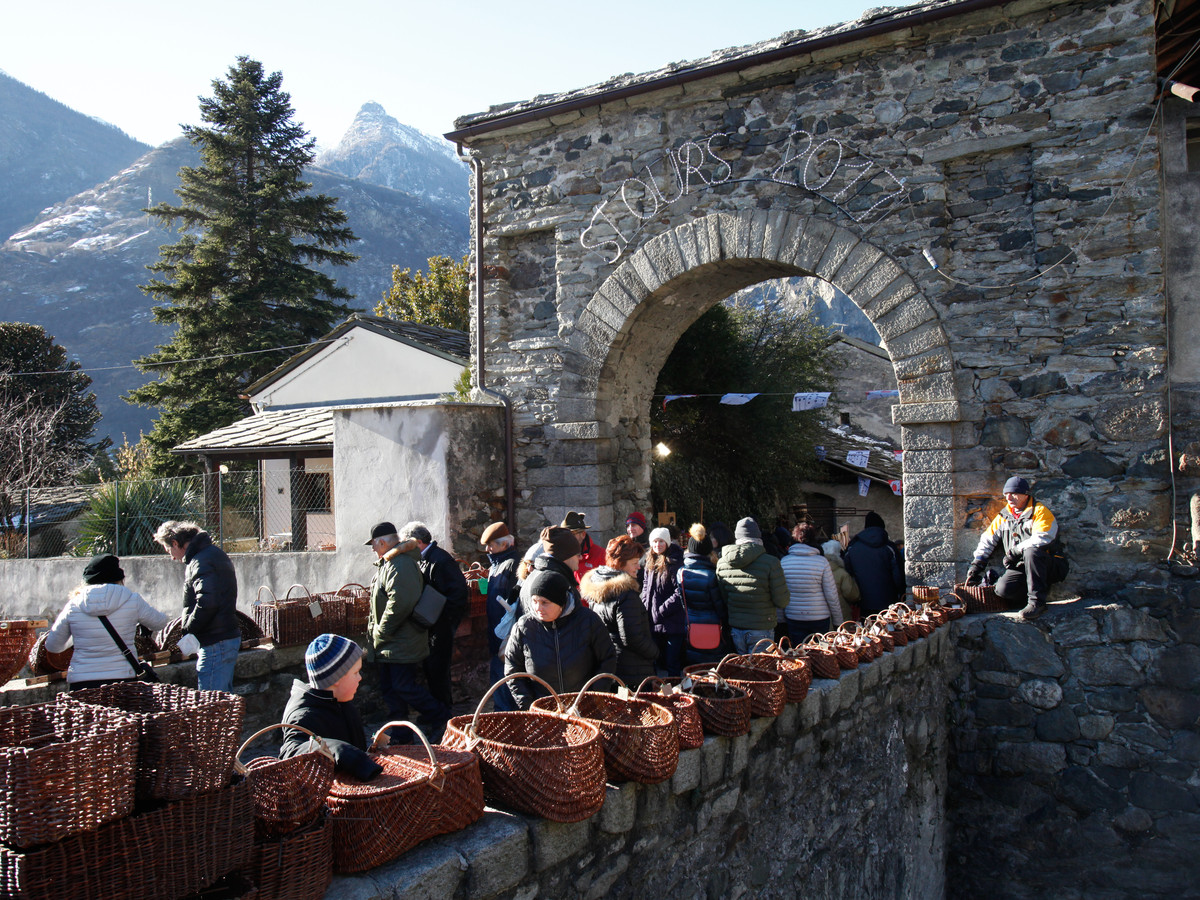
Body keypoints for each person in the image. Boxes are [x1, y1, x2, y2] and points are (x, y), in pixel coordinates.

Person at [365, 521, 449, 742]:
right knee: (392, 690)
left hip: (399, 641)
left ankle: (442, 718)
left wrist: (382, 632)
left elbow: (401, 602)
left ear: (382, 542)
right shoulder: (390, 563)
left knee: (404, 687)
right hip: (393, 642)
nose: (373, 549)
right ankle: (401, 735)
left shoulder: (399, 564)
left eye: (373, 545)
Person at [45, 554, 170, 690]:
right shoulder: (132, 600)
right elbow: (160, 623)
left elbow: (52, 646)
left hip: (82, 681)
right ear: (119, 578)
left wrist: (77, 637)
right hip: (123, 678)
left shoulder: (73, 605)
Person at [504, 570, 616, 709]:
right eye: (534, 601)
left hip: (584, 709)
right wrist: (529, 706)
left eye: (545, 602)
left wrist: (593, 699)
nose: (538, 608)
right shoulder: (524, 627)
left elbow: (608, 658)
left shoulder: (588, 621)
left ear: (561, 603)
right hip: (543, 711)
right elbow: (513, 670)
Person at [278, 633, 383, 781]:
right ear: (336, 679)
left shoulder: (339, 700)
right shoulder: (304, 715)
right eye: (355, 672)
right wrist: (338, 750)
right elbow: (291, 750)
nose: (360, 678)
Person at [154, 520, 240, 692]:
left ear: (176, 543)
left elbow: (208, 602)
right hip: (222, 637)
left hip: (215, 641)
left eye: (169, 550)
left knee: (213, 705)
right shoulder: (210, 554)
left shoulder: (201, 560)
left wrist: (190, 629)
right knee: (223, 703)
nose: (171, 556)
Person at [966, 476, 1061, 619]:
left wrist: (1016, 551)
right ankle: (1027, 600)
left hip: (1048, 565)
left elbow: (1044, 537)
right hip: (1022, 566)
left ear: (1025, 494)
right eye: (1006, 494)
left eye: (1014, 493)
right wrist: (977, 565)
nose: (1009, 497)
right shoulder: (1005, 515)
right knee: (1003, 589)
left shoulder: (1040, 511)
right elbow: (988, 539)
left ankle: (1037, 603)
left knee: (1031, 552)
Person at [399, 521, 469, 713]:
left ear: (417, 542)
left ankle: (443, 712)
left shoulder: (440, 560)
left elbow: (458, 594)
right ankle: (438, 710)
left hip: (440, 626)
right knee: (432, 669)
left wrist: (443, 621)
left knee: (438, 669)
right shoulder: (428, 558)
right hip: (433, 625)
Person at [582, 536, 657, 684]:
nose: (639, 567)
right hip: (632, 668)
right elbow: (632, 637)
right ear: (620, 564)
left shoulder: (600, 585)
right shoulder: (626, 595)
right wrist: (655, 652)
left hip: (611, 663)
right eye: (634, 563)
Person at [716, 517, 789, 654]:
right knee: (761, 671)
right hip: (762, 625)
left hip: (736, 626)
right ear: (758, 536)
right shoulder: (771, 563)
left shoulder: (722, 563)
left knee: (742, 670)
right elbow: (782, 601)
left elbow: (725, 597)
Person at [481, 521, 521, 711]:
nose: (488, 549)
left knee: (504, 678)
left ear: (505, 544)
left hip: (506, 633)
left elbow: (516, 601)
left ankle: (505, 716)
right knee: (498, 678)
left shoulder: (512, 565)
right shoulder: (496, 564)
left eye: (492, 545)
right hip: (496, 631)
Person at [779, 523, 842, 644]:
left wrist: (781, 619)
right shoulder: (822, 562)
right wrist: (838, 622)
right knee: (821, 653)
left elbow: (780, 592)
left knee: (799, 655)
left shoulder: (784, 562)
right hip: (820, 618)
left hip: (793, 616)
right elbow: (832, 595)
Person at [678, 524, 727, 665]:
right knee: (711, 666)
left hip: (691, 625)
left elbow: (682, 601)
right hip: (713, 625)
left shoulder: (681, 573)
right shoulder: (711, 575)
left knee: (694, 666)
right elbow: (719, 606)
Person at [641, 526, 686, 675]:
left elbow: (678, 592)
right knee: (654, 663)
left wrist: (660, 611)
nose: (657, 545)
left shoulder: (674, 562)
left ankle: (675, 694)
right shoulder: (650, 561)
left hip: (672, 622)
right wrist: (644, 606)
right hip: (653, 622)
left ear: (667, 542)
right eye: (654, 542)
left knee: (672, 663)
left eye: (661, 541)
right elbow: (646, 587)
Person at [843, 512, 904, 618]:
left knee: (866, 631)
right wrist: (900, 593)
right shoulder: (889, 547)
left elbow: (848, 571)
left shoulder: (853, 547)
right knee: (888, 631)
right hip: (888, 599)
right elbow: (898, 575)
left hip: (862, 600)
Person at [520, 526, 583, 610]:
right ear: (566, 556)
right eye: (578, 554)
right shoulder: (554, 582)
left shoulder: (538, 574)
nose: (581, 558)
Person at [822, 539, 861, 624]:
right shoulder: (842, 573)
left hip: (821, 615)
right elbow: (853, 595)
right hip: (841, 615)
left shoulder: (817, 570)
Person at [561, 511, 606, 584]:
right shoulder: (560, 555)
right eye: (565, 535)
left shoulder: (601, 555)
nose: (567, 538)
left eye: (572, 534)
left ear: (583, 534)